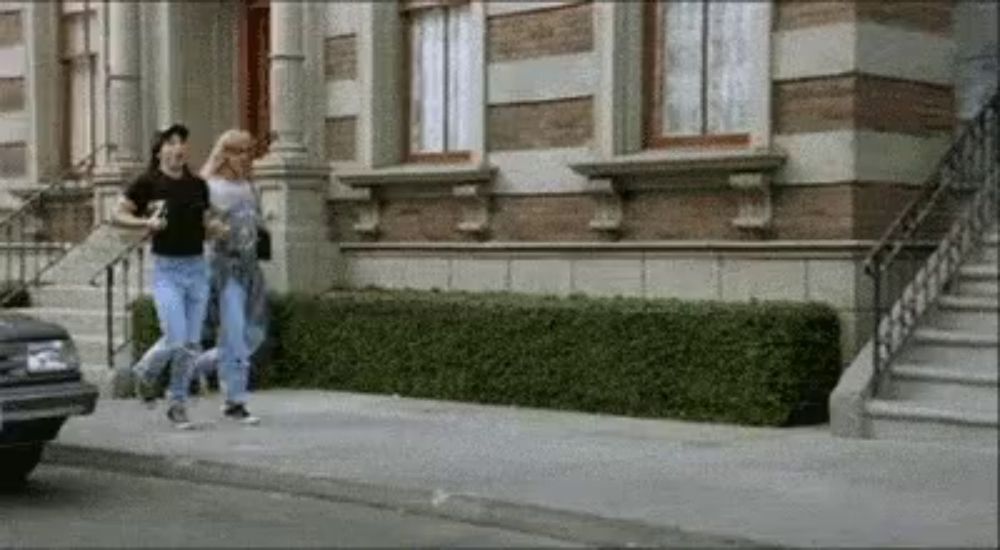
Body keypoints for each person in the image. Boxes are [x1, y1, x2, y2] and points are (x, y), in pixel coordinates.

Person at [112, 123, 224, 430]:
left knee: (189, 343)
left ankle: (177, 403)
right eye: (172, 142)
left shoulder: (197, 185)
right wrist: (145, 222)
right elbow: (117, 214)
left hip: (197, 268)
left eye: (182, 142)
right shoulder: (147, 182)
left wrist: (216, 229)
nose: (179, 148)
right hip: (167, 269)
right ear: (160, 149)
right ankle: (145, 372)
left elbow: (205, 222)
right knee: (176, 336)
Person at [195, 129, 269, 425]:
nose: (247, 158)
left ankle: (191, 366)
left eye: (249, 151)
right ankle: (235, 402)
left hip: (250, 265)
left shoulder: (250, 187)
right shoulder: (208, 187)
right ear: (225, 154)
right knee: (235, 332)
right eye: (241, 152)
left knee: (255, 332)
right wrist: (214, 230)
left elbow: (255, 221)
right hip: (223, 264)